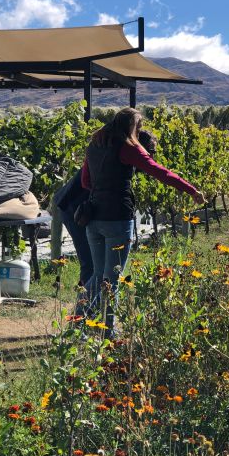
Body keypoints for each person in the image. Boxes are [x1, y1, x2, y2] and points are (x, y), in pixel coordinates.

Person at [79, 107, 205, 330]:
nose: (139, 132)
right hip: (117, 219)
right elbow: (160, 172)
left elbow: (85, 182)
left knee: (98, 276)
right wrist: (191, 190)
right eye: (138, 127)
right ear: (131, 126)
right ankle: (108, 333)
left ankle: (77, 320)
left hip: (94, 218)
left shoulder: (94, 145)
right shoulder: (128, 147)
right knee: (112, 280)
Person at [54, 129, 158, 286]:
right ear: (139, 147)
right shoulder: (116, 157)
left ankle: (91, 305)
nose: (151, 158)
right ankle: (85, 308)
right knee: (90, 263)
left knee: (98, 267)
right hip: (72, 206)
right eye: (150, 152)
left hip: (84, 206)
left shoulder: (121, 155)